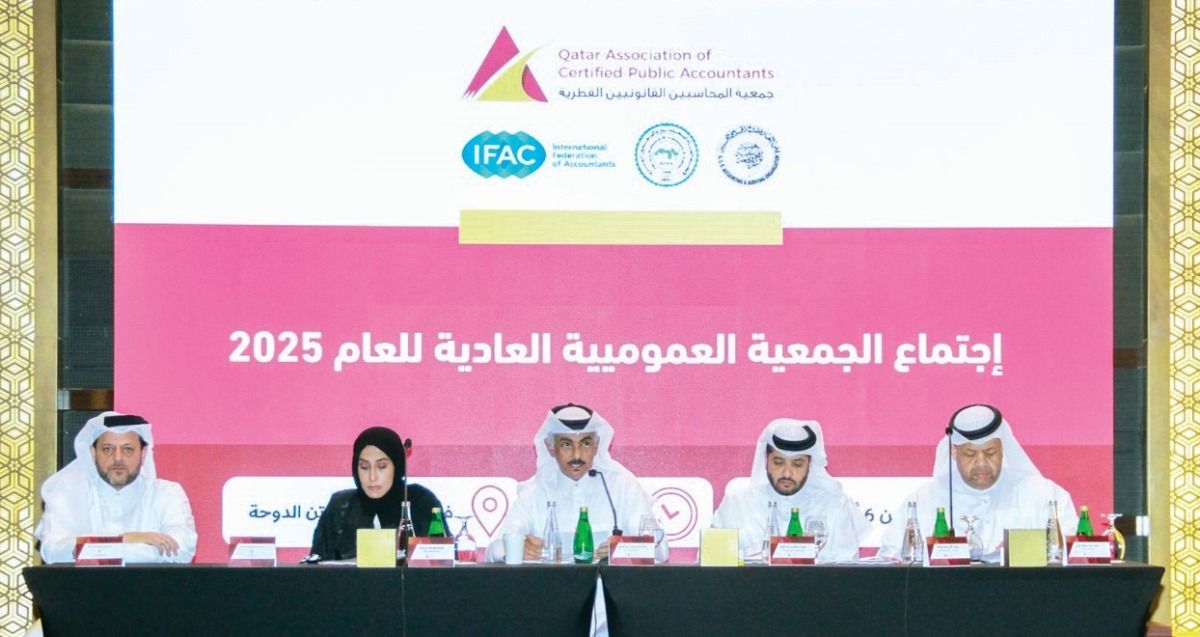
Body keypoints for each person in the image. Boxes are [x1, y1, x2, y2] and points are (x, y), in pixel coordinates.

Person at [877, 403, 1079, 559]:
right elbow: (891, 556)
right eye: (970, 454)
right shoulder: (924, 499)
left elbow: (1072, 554)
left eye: (990, 452)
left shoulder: (1045, 494)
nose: (981, 462)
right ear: (954, 452)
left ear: (1003, 449)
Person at [486, 403, 667, 563]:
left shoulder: (623, 487)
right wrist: (515, 548)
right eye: (566, 444)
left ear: (596, 445)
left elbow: (660, 550)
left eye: (585, 443)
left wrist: (622, 550)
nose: (577, 455)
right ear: (551, 447)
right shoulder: (535, 492)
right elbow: (493, 551)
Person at [35, 411, 197, 564]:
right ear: (93, 452)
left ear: (143, 453)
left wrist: (95, 549)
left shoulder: (167, 493)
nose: (118, 458)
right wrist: (127, 539)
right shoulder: (67, 495)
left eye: (128, 449)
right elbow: (53, 551)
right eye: (108, 449)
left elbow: (181, 550)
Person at [712, 418, 865, 563]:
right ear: (766, 459)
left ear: (810, 464)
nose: (787, 473)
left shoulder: (834, 505)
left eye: (797, 464)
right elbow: (713, 560)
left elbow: (846, 569)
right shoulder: (737, 503)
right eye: (778, 462)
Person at [308, 426, 446, 561]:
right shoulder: (341, 506)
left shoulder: (420, 502)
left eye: (382, 467)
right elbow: (315, 566)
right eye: (364, 467)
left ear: (397, 466)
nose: (372, 477)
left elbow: (442, 561)